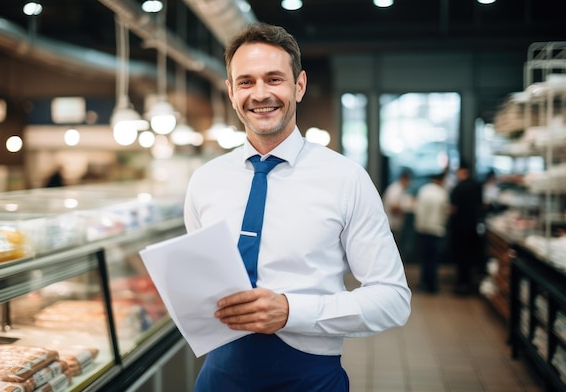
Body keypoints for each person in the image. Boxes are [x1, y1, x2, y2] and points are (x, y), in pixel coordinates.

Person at [184, 22, 411, 392]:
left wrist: (291, 311)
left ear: (299, 86)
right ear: (230, 92)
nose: (260, 94)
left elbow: (393, 299)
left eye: (274, 79)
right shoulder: (205, 181)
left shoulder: (346, 179)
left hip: (309, 379)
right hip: (218, 376)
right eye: (246, 82)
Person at [449, 160, 484, 295]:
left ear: (462, 171)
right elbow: (481, 206)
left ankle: (461, 285)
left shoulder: (458, 188)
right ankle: (470, 285)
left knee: (461, 258)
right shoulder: (477, 186)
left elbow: (454, 209)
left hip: (459, 229)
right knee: (471, 258)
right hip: (473, 227)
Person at [414, 172, 449, 293]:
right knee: (433, 259)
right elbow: (445, 211)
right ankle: (432, 285)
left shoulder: (423, 191)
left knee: (424, 258)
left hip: (422, 229)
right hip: (436, 229)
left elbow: (417, 210)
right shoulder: (442, 193)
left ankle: (423, 283)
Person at [382, 169, 413, 243]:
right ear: (404, 179)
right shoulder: (395, 189)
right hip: (391, 225)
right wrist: (405, 209)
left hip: (395, 226)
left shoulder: (401, 189)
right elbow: (393, 208)